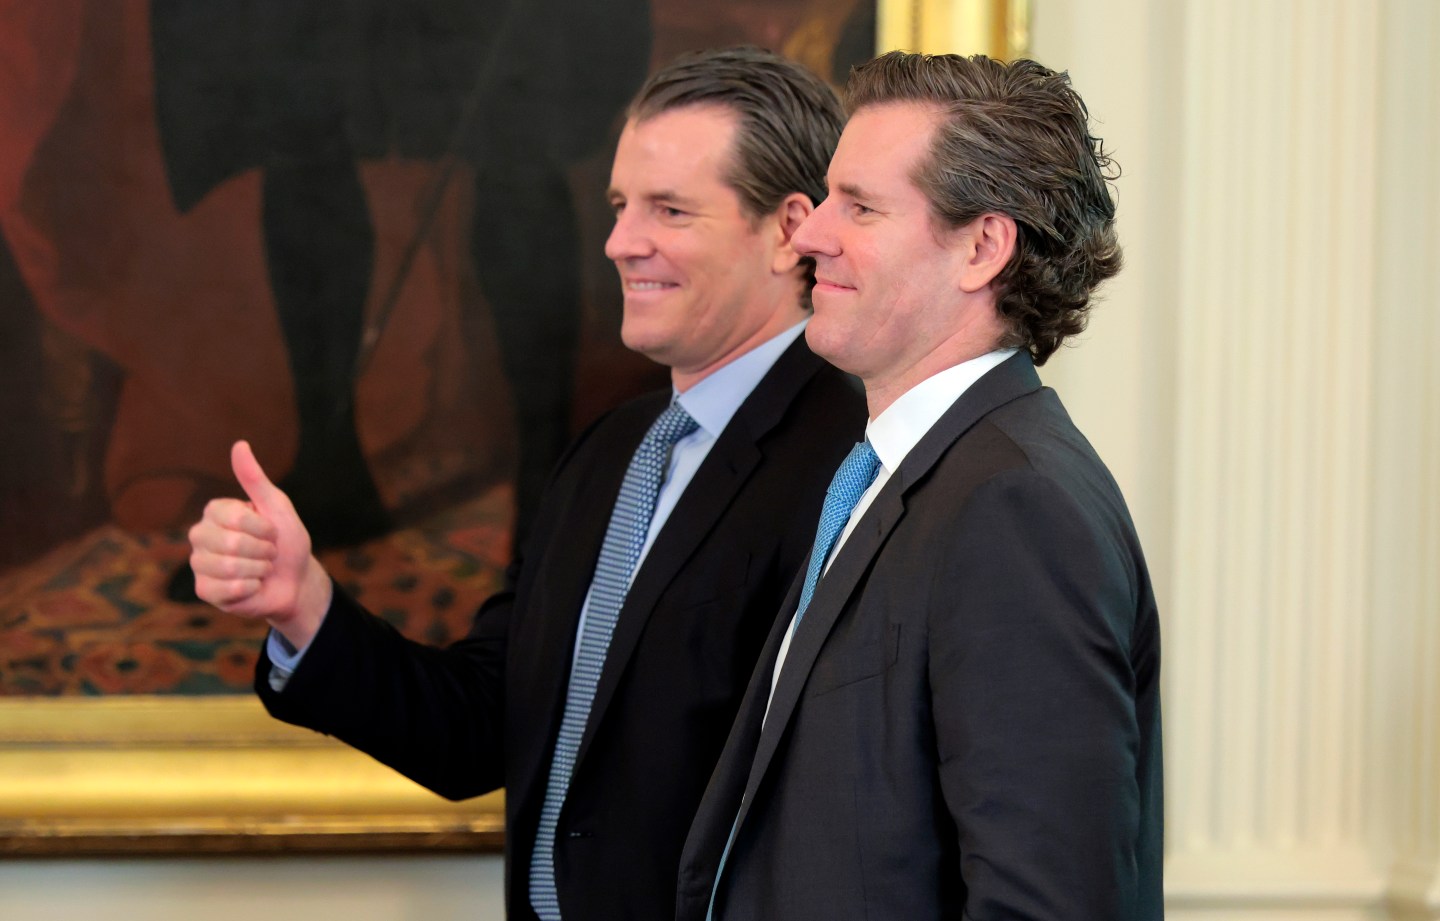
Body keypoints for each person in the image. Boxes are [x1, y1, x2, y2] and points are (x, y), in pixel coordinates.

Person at [187, 47, 865, 921]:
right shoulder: (609, 455)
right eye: (619, 206)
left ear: (788, 230)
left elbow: (850, 810)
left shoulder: (853, 458)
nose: (620, 242)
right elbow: (480, 726)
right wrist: (304, 605)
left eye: (669, 209)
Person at [677, 51, 1162, 921]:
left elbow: (1048, 901)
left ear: (982, 248)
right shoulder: (903, 474)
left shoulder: (1015, 507)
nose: (811, 234)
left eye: (860, 206)